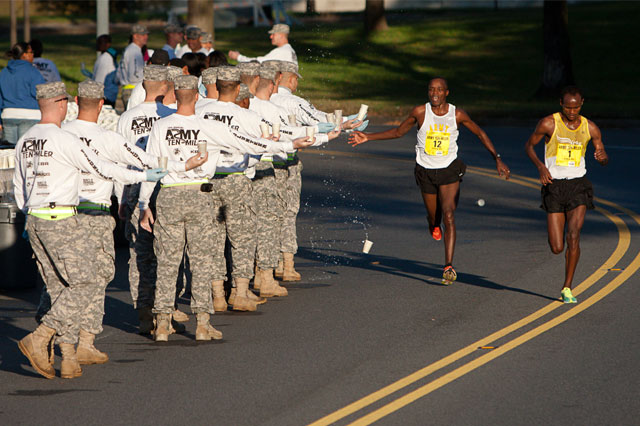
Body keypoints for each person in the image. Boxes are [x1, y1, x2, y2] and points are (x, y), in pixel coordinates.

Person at [14, 81, 166, 379]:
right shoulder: (63, 139)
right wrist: (144, 174)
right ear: (62, 104)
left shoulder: (26, 140)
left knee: (58, 286)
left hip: (35, 219)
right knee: (85, 282)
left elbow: (19, 188)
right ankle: (42, 336)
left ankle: (67, 356)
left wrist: (27, 216)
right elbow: (102, 168)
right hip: (61, 218)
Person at [348, 77, 510, 285]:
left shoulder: (456, 114)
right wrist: (368, 137)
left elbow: (480, 133)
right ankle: (433, 222)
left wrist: (496, 159)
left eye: (439, 90)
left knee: (449, 215)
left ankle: (448, 266)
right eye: (431, 89)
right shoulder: (420, 112)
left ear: (446, 93)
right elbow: (399, 132)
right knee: (435, 216)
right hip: (425, 171)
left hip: (449, 170)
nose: (435, 93)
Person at [137, 75, 223, 342]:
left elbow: (152, 167)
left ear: (175, 95)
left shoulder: (161, 126)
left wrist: (143, 204)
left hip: (170, 194)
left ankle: (162, 323)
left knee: (167, 261)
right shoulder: (209, 126)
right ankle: (202, 322)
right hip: (199, 193)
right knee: (201, 261)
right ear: (197, 95)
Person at [525, 86, 608, 303]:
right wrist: (541, 167)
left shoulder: (590, 127)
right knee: (556, 247)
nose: (572, 111)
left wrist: (602, 157)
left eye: (576, 107)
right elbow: (529, 146)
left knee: (573, 235)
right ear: (560, 103)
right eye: (568, 107)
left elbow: (602, 155)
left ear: (582, 103)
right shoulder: (548, 123)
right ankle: (565, 277)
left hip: (578, 185)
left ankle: (567, 287)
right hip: (554, 186)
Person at [116, 65, 178, 334]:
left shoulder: (127, 117)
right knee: (168, 251)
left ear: (143, 86)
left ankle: (143, 311)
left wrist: (120, 197)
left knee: (139, 253)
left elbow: (117, 158)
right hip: (163, 188)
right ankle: (165, 308)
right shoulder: (170, 117)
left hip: (133, 185)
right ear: (165, 87)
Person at [0, 42, 45, 144]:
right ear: (24, 54)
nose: (33, 54)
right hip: (30, 115)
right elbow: (40, 94)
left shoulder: (4, 72)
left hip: (8, 115)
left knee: (9, 153)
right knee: (26, 153)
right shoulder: (33, 72)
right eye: (31, 52)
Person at [229, 24, 297, 64]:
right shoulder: (290, 50)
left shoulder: (281, 51)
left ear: (281, 35)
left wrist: (238, 57)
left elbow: (257, 62)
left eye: (273, 34)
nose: (271, 37)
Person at [117, 24, 149, 108]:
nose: (146, 37)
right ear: (135, 36)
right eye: (143, 35)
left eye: (146, 34)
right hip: (132, 90)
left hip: (129, 89)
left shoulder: (132, 49)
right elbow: (134, 76)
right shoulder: (134, 51)